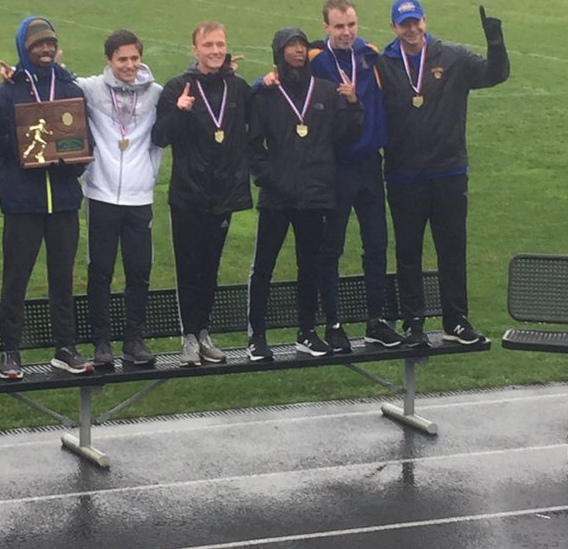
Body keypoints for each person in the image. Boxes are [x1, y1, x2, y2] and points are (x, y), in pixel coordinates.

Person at [379, 0, 509, 346]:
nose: (411, 29)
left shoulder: (452, 56)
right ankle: (413, 322)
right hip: (403, 174)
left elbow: (496, 75)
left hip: (449, 170)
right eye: (403, 24)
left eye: (415, 22)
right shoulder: (382, 63)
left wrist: (495, 41)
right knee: (408, 252)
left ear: (425, 20)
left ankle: (456, 320)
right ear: (393, 27)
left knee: (452, 248)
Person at [0, 16, 93, 379]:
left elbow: (82, 139)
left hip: (62, 200)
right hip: (23, 202)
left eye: (49, 43)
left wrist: (72, 162)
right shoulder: (8, 91)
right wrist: (4, 125)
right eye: (37, 45)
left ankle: (65, 347)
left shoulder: (70, 87)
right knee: (16, 278)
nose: (45, 50)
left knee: (62, 278)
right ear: (23, 49)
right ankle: (10, 352)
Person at [247, 28, 362, 361]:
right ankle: (256, 336)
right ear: (278, 53)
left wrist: (354, 104)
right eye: (290, 47)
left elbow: (345, 136)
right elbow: (253, 147)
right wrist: (270, 179)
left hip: (315, 195)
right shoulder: (267, 94)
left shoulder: (325, 91)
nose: (297, 52)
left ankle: (306, 332)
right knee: (263, 266)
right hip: (277, 196)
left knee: (309, 265)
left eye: (301, 46)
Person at [307, 0, 408, 351]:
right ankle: (333, 323)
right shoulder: (317, 63)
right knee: (331, 246)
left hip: (370, 164)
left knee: (376, 244)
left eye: (351, 24)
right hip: (336, 167)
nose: (347, 32)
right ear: (326, 28)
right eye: (339, 26)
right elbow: (284, 78)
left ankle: (375, 320)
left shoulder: (369, 56)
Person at [152, 21, 252, 366]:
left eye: (220, 44)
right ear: (194, 49)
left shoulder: (237, 88)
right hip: (188, 193)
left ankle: (204, 331)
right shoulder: (178, 87)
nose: (215, 51)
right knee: (188, 266)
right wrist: (179, 111)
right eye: (208, 45)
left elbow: (260, 115)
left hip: (223, 193)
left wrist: (269, 81)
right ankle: (188, 336)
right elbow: (159, 136)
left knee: (211, 268)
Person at [78, 30, 163, 368]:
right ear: (109, 61)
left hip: (139, 196)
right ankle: (102, 341)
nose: (129, 65)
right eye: (121, 59)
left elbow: (190, 86)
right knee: (100, 270)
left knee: (138, 270)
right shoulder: (91, 89)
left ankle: (134, 338)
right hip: (100, 193)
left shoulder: (157, 94)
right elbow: (57, 82)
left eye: (134, 58)